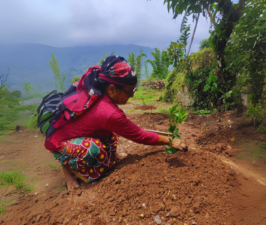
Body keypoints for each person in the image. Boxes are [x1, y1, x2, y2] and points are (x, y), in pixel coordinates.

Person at [44, 55, 187, 190]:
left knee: (111, 136)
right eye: (130, 91)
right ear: (112, 89)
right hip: (61, 143)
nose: (132, 96)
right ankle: (70, 170)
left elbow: (130, 129)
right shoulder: (109, 113)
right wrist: (170, 140)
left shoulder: (98, 91)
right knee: (93, 149)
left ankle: (102, 161)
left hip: (76, 133)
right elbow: (140, 136)